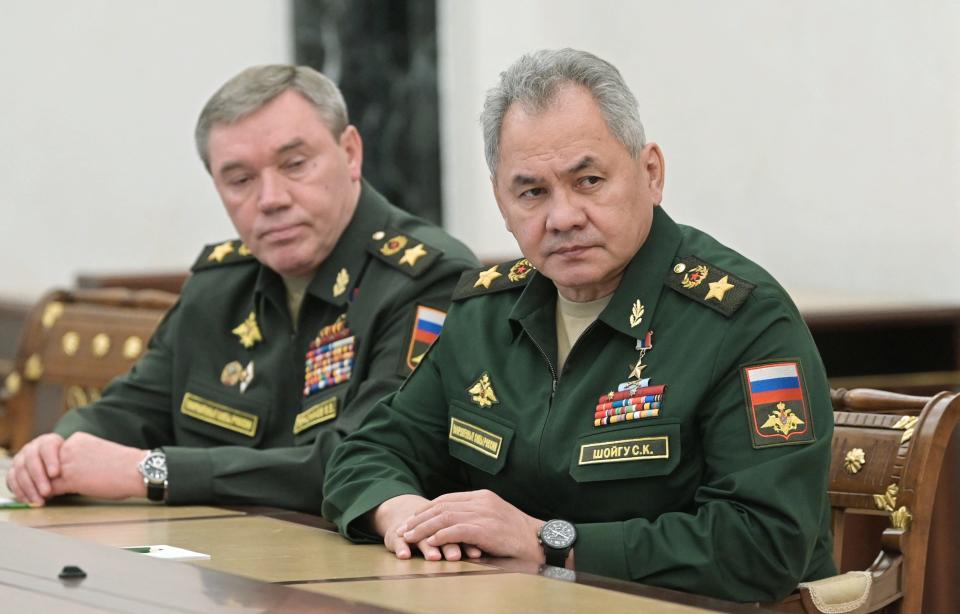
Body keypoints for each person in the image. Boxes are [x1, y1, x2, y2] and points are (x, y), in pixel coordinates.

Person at [321, 49, 836, 602]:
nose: (563, 217)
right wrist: (408, 516)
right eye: (533, 192)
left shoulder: (742, 319)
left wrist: (549, 544)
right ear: (501, 200)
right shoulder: (485, 311)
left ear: (651, 173)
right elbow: (366, 453)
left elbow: (764, 543)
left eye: (588, 181)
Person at [5, 65, 478, 514]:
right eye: (240, 179)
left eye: (295, 165)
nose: (271, 199)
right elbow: (129, 409)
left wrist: (153, 472)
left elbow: (359, 462)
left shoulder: (425, 278)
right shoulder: (222, 283)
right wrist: (58, 450)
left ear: (350, 153)